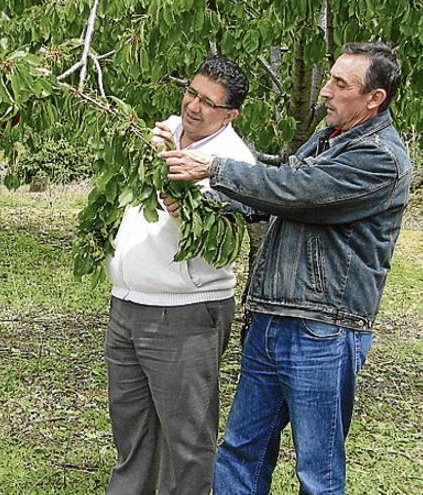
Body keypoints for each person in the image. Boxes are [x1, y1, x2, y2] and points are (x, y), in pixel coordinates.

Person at [161, 42, 410, 494]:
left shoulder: (381, 158)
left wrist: (214, 169)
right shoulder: (328, 138)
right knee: (241, 451)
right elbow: (274, 198)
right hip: (273, 318)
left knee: (317, 470)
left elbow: (300, 191)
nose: (326, 93)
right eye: (329, 79)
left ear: (375, 98)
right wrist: (205, 203)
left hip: (324, 330)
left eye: (340, 84)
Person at [104, 55, 255, 494]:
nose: (193, 106)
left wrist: (180, 194)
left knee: (185, 441)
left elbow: (217, 236)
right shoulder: (166, 130)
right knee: (131, 432)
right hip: (128, 304)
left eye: (209, 102)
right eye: (192, 92)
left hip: (184, 313)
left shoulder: (232, 161)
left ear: (231, 114)